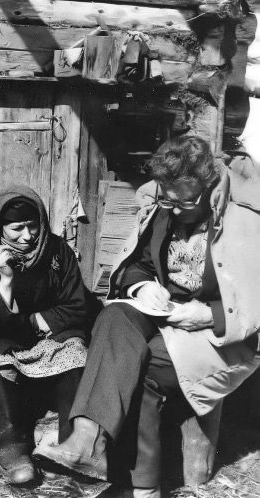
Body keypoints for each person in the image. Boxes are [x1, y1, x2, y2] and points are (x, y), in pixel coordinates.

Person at [33, 135, 260, 498]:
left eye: (184, 202)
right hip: (169, 318)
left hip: (222, 336)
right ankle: (87, 439)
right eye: (168, 200)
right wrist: (141, 287)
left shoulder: (246, 221)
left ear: (209, 186)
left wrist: (207, 313)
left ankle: (143, 488)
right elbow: (138, 264)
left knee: (144, 366)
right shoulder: (165, 209)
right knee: (113, 317)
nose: (175, 210)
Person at [0, 185, 89, 486]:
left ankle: (72, 445)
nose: (27, 236)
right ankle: (11, 445)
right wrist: (6, 279)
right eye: (16, 228)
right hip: (5, 341)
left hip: (50, 337)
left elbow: (76, 307)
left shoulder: (58, 251)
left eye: (32, 225)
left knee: (75, 352)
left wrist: (31, 322)